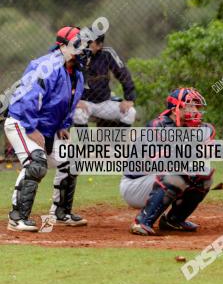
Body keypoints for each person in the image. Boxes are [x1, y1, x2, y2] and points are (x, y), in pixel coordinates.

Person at [120, 87, 223, 235]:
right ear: (175, 109)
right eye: (190, 106)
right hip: (135, 184)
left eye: (196, 106)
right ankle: (142, 222)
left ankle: (174, 220)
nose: (195, 110)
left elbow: (218, 148)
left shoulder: (194, 128)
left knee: (204, 174)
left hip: (157, 180)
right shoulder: (157, 127)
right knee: (179, 171)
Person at [5, 27, 92, 231]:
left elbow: (68, 104)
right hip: (21, 123)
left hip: (46, 128)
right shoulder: (44, 66)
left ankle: (61, 213)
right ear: (62, 47)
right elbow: (27, 99)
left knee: (71, 161)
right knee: (36, 162)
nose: (82, 49)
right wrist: (31, 129)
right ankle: (17, 218)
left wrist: (63, 126)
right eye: (77, 45)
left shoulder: (77, 75)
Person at [74, 33, 136, 127]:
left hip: (104, 102)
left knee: (130, 112)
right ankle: (84, 142)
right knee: (77, 113)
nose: (86, 44)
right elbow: (67, 80)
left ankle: (118, 140)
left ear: (99, 46)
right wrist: (75, 101)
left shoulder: (107, 54)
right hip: (84, 102)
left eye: (90, 42)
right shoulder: (77, 54)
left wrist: (129, 99)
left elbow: (123, 74)